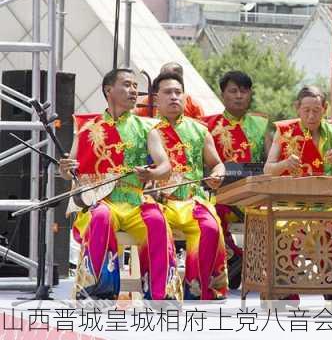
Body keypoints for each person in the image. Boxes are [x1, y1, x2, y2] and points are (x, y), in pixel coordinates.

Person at [59, 68, 180, 300]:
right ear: (108, 90)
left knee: (157, 219)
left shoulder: (147, 128)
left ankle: (160, 293)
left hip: (135, 200)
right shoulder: (87, 127)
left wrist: (152, 174)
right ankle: (96, 289)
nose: (133, 90)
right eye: (126, 85)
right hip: (100, 199)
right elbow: (70, 172)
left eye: (135, 86)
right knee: (101, 216)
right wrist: (65, 169)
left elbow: (165, 166)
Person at [264, 85, 332, 303]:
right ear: (297, 108)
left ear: (324, 108)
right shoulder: (285, 131)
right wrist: (285, 163)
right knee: (284, 227)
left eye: (316, 110)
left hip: (327, 202)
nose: (311, 116)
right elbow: (268, 169)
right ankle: (284, 291)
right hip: (293, 201)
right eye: (306, 110)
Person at [151, 70, 229, 300]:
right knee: (154, 224)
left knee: (211, 227)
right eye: (168, 92)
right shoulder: (146, 130)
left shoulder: (199, 130)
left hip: (193, 199)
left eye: (178, 92)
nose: (174, 97)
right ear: (156, 99)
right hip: (159, 201)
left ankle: (196, 286)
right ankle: (163, 288)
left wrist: (217, 175)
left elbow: (217, 164)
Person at [202, 70, 271, 288]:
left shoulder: (262, 125)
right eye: (233, 91)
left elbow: (270, 161)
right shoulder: (207, 125)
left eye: (244, 91)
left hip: (255, 194)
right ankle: (234, 258)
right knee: (211, 214)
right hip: (220, 194)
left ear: (250, 94)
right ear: (223, 94)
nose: (239, 96)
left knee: (271, 215)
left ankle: (262, 273)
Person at [134, 62, 205, 120]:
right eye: (164, 77)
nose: (173, 97)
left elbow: (203, 127)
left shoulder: (193, 105)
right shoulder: (150, 100)